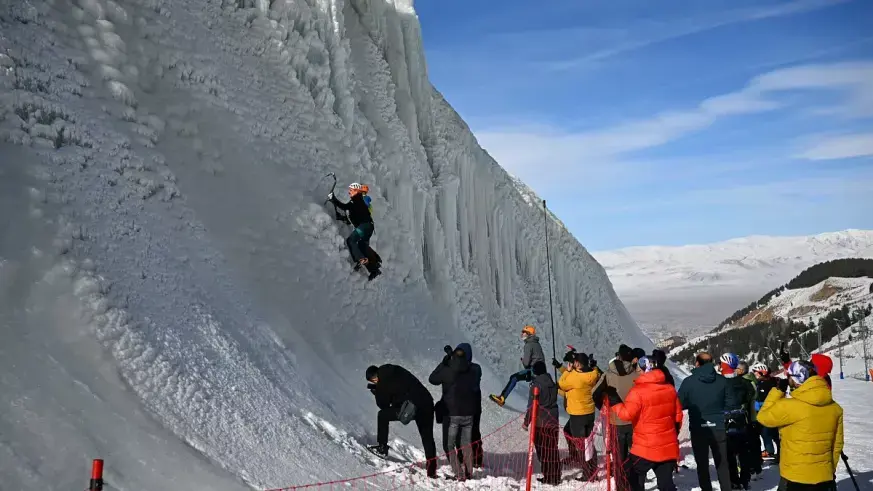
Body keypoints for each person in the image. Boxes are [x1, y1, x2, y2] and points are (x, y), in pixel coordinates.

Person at [757, 361, 844, 491]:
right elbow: (837, 444)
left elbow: (763, 417)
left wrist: (778, 390)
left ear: (796, 379)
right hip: (824, 477)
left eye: (789, 376)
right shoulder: (835, 408)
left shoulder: (789, 406)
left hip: (794, 477)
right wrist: (829, 469)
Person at [612, 356, 683, 491]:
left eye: (638, 367)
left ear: (644, 369)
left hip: (645, 448)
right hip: (668, 447)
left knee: (630, 474)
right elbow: (678, 417)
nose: (636, 370)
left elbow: (626, 415)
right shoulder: (669, 389)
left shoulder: (638, 391)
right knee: (666, 484)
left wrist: (615, 402)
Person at [366, 364, 438, 478]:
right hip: (427, 402)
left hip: (412, 407)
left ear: (374, 377)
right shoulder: (395, 370)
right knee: (427, 436)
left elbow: (383, 405)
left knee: (382, 416)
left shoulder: (382, 382)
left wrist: (377, 392)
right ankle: (432, 470)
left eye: (373, 380)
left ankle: (382, 448)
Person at [677, 352, 732, 491]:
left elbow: (679, 404)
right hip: (718, 427)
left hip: (698, 428)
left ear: (697, 363)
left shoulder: (688, 382)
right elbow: (731, 403)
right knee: (722, 464)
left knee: (702, 464)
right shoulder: (722, 381)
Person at [428, 346, 480, 480]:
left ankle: (459, 473)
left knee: (449, 445)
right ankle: (469, 472)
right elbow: (467, 366)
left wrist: (444, 362)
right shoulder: (474, 370)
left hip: (452, 414)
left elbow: (432, 379)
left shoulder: (447, 371)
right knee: (466, 444)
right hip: (469, 414)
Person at [593, 344, 639, 491]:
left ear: (618, 356)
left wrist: (604, 408)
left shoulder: (608, 375)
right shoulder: (637, 375)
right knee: (635, 457)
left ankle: (621, 486)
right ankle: (635, 485)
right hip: (634, 422)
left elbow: (595, 394)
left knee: (619, 459)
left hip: (615, 421)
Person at [557, 352, 601, 479]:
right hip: (589, 413)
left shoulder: (575, 377)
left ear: (578, 364)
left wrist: (567, 371)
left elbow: (562, 384)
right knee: (589, 442)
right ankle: (593, 469)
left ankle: (587, 473)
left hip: (578, 415)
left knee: (581, 445)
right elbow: (596, 372)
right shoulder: (592, 374)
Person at [328, 182, 380, 279]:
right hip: (369, 227)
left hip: (364, 226)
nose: (349, 192)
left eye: (351, 190)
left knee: (351, 240)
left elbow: (344, 207)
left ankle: (360, 259)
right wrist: (343, 218)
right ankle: (374, 269)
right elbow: (353, 216)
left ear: (356, 191)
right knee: (362, 246)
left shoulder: (356, 200)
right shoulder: (358, 202)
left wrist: (333, 199)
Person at [720, 353, 755, 490]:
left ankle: (734, 480)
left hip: (726, 423)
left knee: (729, 454)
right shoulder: (745, 383)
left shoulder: (719, 383)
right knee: (743, 453)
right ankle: (745, 480)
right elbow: (751, 397)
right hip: (742, 421)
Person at [524, 361, 562, 485]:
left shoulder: (536, 386)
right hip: (554, 420)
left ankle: (548, 476)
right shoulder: (552, 382)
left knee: (543, 450)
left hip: (541, 422)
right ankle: (556, 475)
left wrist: (526, 422)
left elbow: (531, 406)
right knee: (553, 448)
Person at [489, 325, 545, 406]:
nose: (522, 334)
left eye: (524, 333)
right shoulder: (537, 344)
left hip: (533, 370)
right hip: (540, 372)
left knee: (514, 378)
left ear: (529, 335)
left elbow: (526, 363)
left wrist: (523, 361)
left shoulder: (528, 345)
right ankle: (537, 409)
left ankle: (502, 398)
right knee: (536, 390)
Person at [750, 362, 781, 462]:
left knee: (766, 432)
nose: (754, 374)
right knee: (773, 434)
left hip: (768, 411)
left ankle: (770, 451)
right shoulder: (769, 381)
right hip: (771, 411)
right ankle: (775, 451)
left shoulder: (766, 384)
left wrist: (755, 407)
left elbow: (764, 399)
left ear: (761, 372)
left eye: (755, 372)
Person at [738, 361, 763, 480]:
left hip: (750, 416)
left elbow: (747, 400)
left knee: (749, 444)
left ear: (742, 371)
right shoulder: (753, 379)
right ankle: (757, 467)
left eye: (737, 369)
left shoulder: (745, 382)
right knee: (755, 442)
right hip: (756, 415)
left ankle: (752, 468)